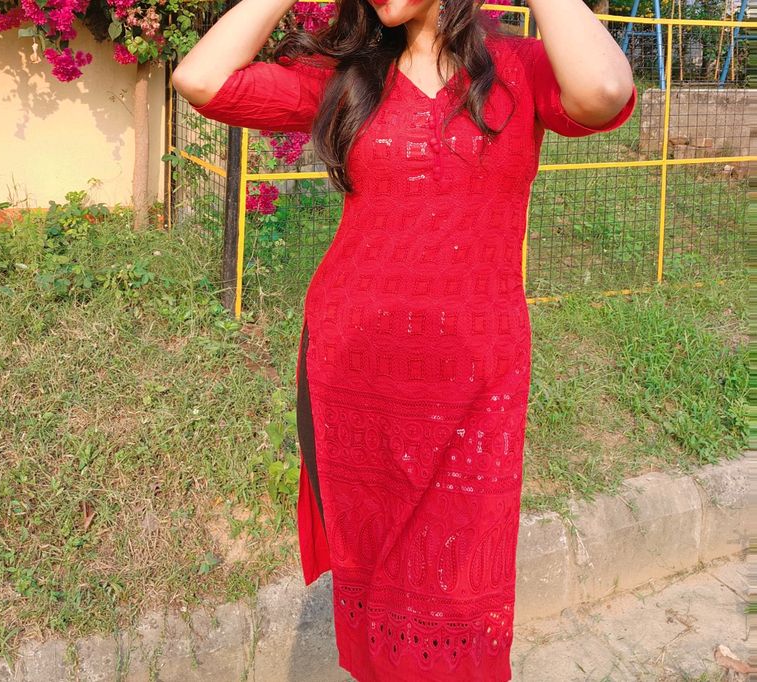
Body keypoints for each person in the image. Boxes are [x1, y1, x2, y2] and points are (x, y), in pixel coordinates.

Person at [172, 0, 636, 678]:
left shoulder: (520, 68)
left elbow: (604, 92)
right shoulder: (348, 75)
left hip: (478, 377)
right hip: (355, 370)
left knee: (462, 592)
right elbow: (201, 81)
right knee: (376, 576)